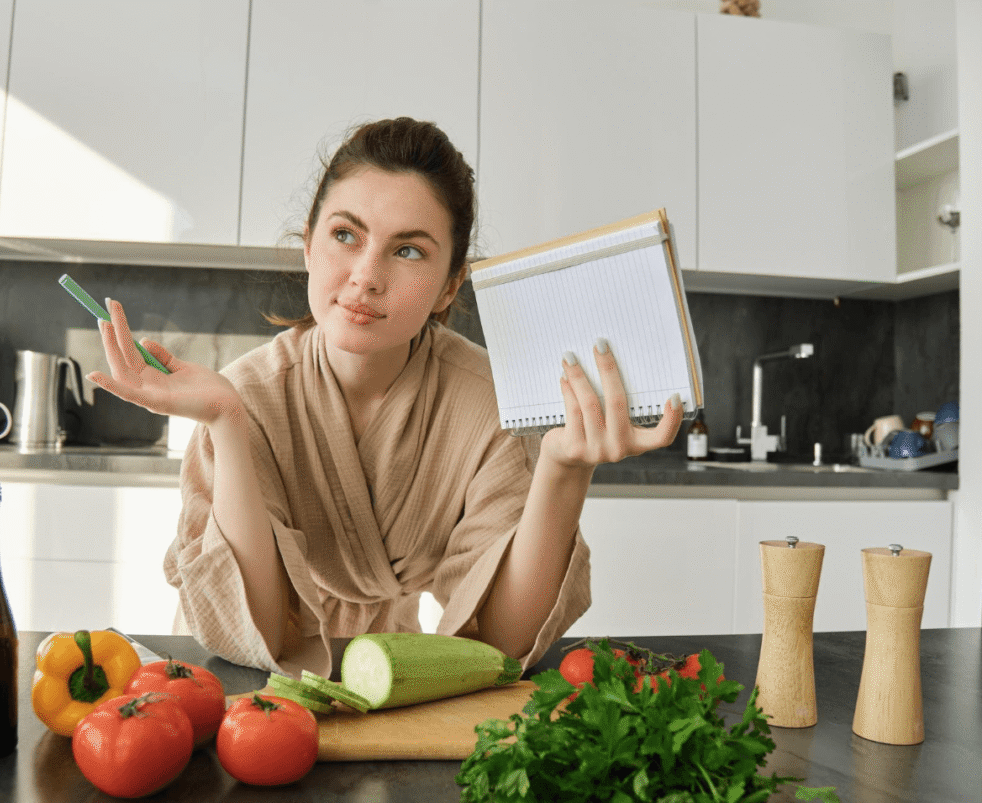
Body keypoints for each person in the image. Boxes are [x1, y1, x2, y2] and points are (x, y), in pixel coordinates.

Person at [87, 117, 683, 677]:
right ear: (309, 246)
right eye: (345, 235)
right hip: (246, 682)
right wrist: (226, 422)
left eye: (408, 250)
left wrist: (563, 470)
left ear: (451, 284)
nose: (366, 277)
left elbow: (500, 643)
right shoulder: (243, 396)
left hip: (389, 661)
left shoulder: (489, 404)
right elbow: (261, 631)